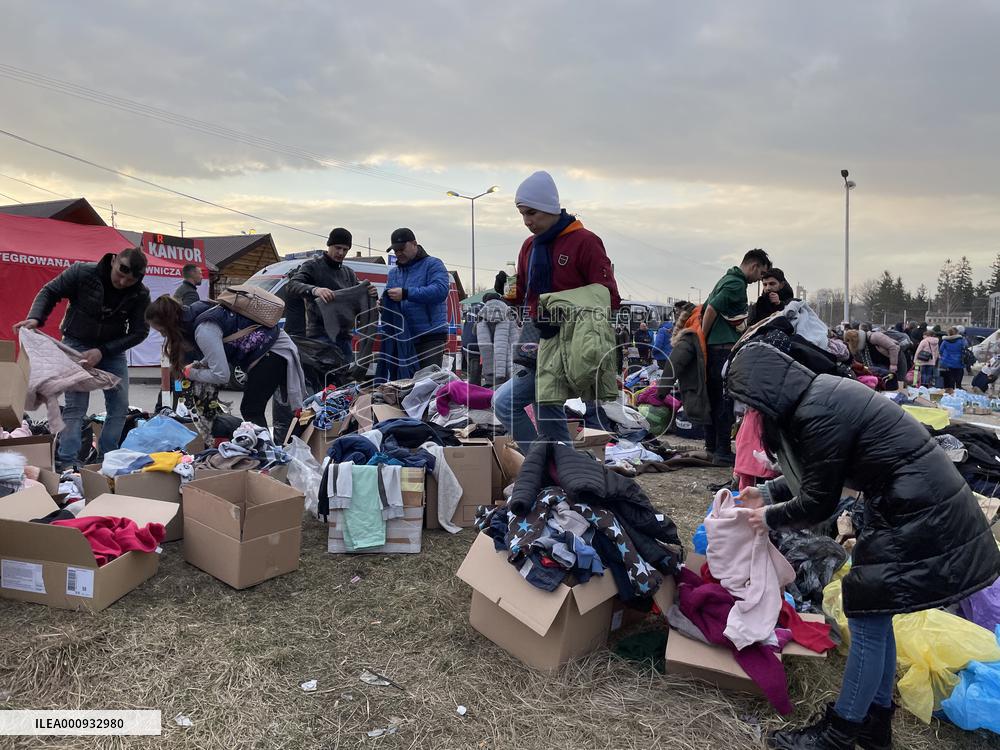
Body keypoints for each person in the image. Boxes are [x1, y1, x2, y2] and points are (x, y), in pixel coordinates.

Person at [727, 341, 1000, 750]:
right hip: (912, 503)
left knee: (868, 620)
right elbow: (825, 474)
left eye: (749, 404)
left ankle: (840, 733)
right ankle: (874, 726)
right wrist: (766, 495)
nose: (750, 415)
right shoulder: (821, 395)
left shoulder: (815, 412)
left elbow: (819, 500)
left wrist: (768, 517)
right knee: (876, 615)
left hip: (916, 510)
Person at [493, 170, 620, 452]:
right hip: (535, 343)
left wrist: (562, 311)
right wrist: (507, 294)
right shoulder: (529, 247)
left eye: (532, 213)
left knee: (504, 402)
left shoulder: (585, 241)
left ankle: (541, 465)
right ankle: (563, 470)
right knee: (548, 417)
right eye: (522, 214)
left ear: (550, 207)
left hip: (569, 345)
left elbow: (609, 297)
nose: (527, 221)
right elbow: (528, 298)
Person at [15, 247, 150, 470]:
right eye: (120, 273)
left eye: (130, 279)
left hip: (111, 351)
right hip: (76, 344)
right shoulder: (82, 272)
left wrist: (103, 352)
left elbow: (139, 332)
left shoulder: (140, 293)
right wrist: (35, 318)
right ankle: (67, 462)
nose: (123, 281)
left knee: (119, 407)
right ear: (113, 260)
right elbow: (50, 291)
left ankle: (107, 458)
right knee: (75, 407)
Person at [144, 295, 307, 432]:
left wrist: (190, 373)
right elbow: (215, 350)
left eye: (162, 331)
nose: (163, 336)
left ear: (170, 323)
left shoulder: (202, 330)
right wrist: (199, 364)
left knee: (251, 409)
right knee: (265, 409)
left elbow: (222, 375)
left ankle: (267, 455)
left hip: (273, 351)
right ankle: (275, 450)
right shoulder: (196, 311)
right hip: (273, 346)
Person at [701, 248, 772, 465]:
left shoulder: (726, 279)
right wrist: (702, 338)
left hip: (716, 348)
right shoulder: (736, 284)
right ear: (754, 266)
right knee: (724, 401)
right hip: (722, 349)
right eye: (760, 275)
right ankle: (722, 451)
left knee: (713, 399)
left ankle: (712, 447)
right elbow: (712, 309)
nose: (758, 281)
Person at [284, 228, 378, 370]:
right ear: (329, 245)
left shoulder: (349, 273)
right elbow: (292, 285)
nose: (341, 253)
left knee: (343, 384)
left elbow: (358, 301)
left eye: (345, 249)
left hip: (345, 338)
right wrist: (315, 290)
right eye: (337, 248)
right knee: (324, 382)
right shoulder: (312, 266)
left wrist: (371, 294)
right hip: (319, 338)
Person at [383, 228, 451, 372]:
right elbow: (388, 296)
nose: (398, 253)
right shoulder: (394, 273)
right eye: (395, 251)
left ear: (414, 244)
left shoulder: (433, 264)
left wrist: (406, 293)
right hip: (404, 338)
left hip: (430, 337)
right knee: (404, 385)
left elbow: (440, 291)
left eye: (401, 249)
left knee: (427, 385)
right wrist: (383, 305)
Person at [656, 303, 709, 425]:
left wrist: (661, 393)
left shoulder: (689, 334)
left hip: (697, 389)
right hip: (717, 386)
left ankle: (711, 444)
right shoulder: (708, 325)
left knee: (709, 429)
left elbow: (674, 363)